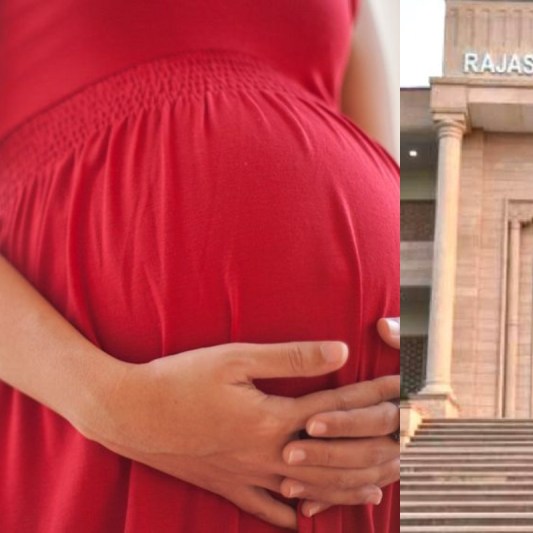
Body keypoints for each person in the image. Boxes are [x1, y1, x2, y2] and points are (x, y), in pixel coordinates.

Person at [0, 0, 399, 531]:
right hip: (102, 432)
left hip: (350, 467)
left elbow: (387, 169)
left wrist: (417, 378)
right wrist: (110, 404)